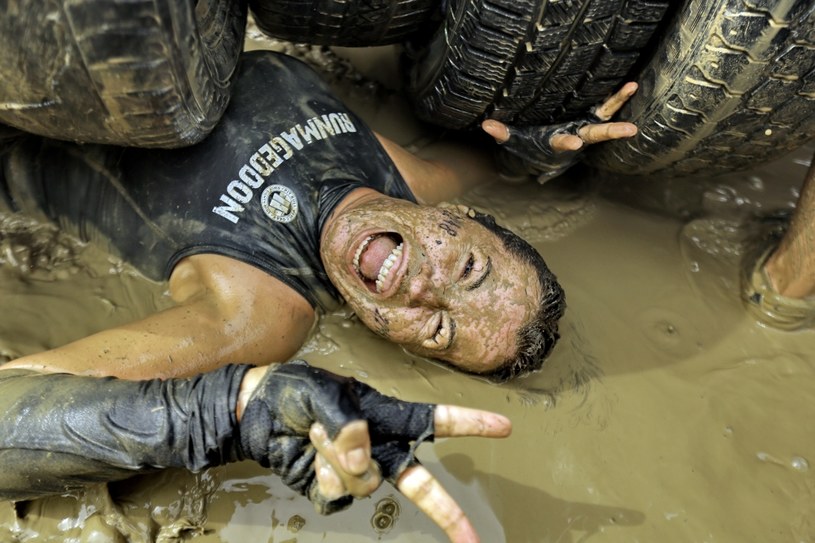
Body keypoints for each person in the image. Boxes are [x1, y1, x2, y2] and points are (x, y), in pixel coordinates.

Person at [0, 50, 638, 541]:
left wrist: (231, 409)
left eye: (439, 331)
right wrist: (538, 153)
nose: (423, 288)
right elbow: (491, 157)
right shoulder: (414, 180)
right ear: (462, 214)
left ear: (394, 338)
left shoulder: (261, 313)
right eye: (468, 268)